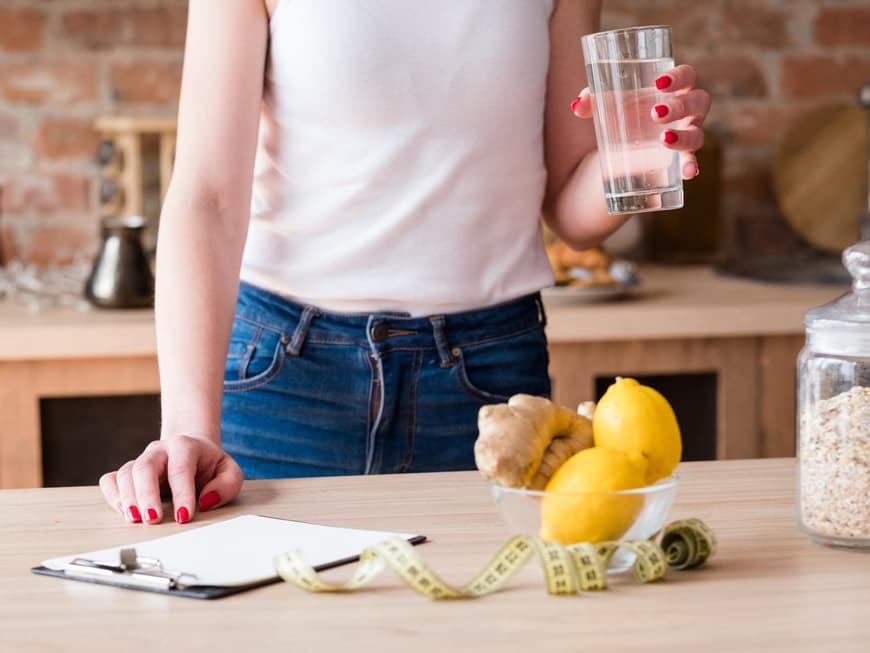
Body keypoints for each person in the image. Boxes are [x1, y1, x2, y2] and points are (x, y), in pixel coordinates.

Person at [99, 0, 711, 525]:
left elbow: (569, 211)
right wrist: (189, 428)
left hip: (487, 378)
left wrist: (630, 159)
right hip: (285, 380)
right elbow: (208, 198)